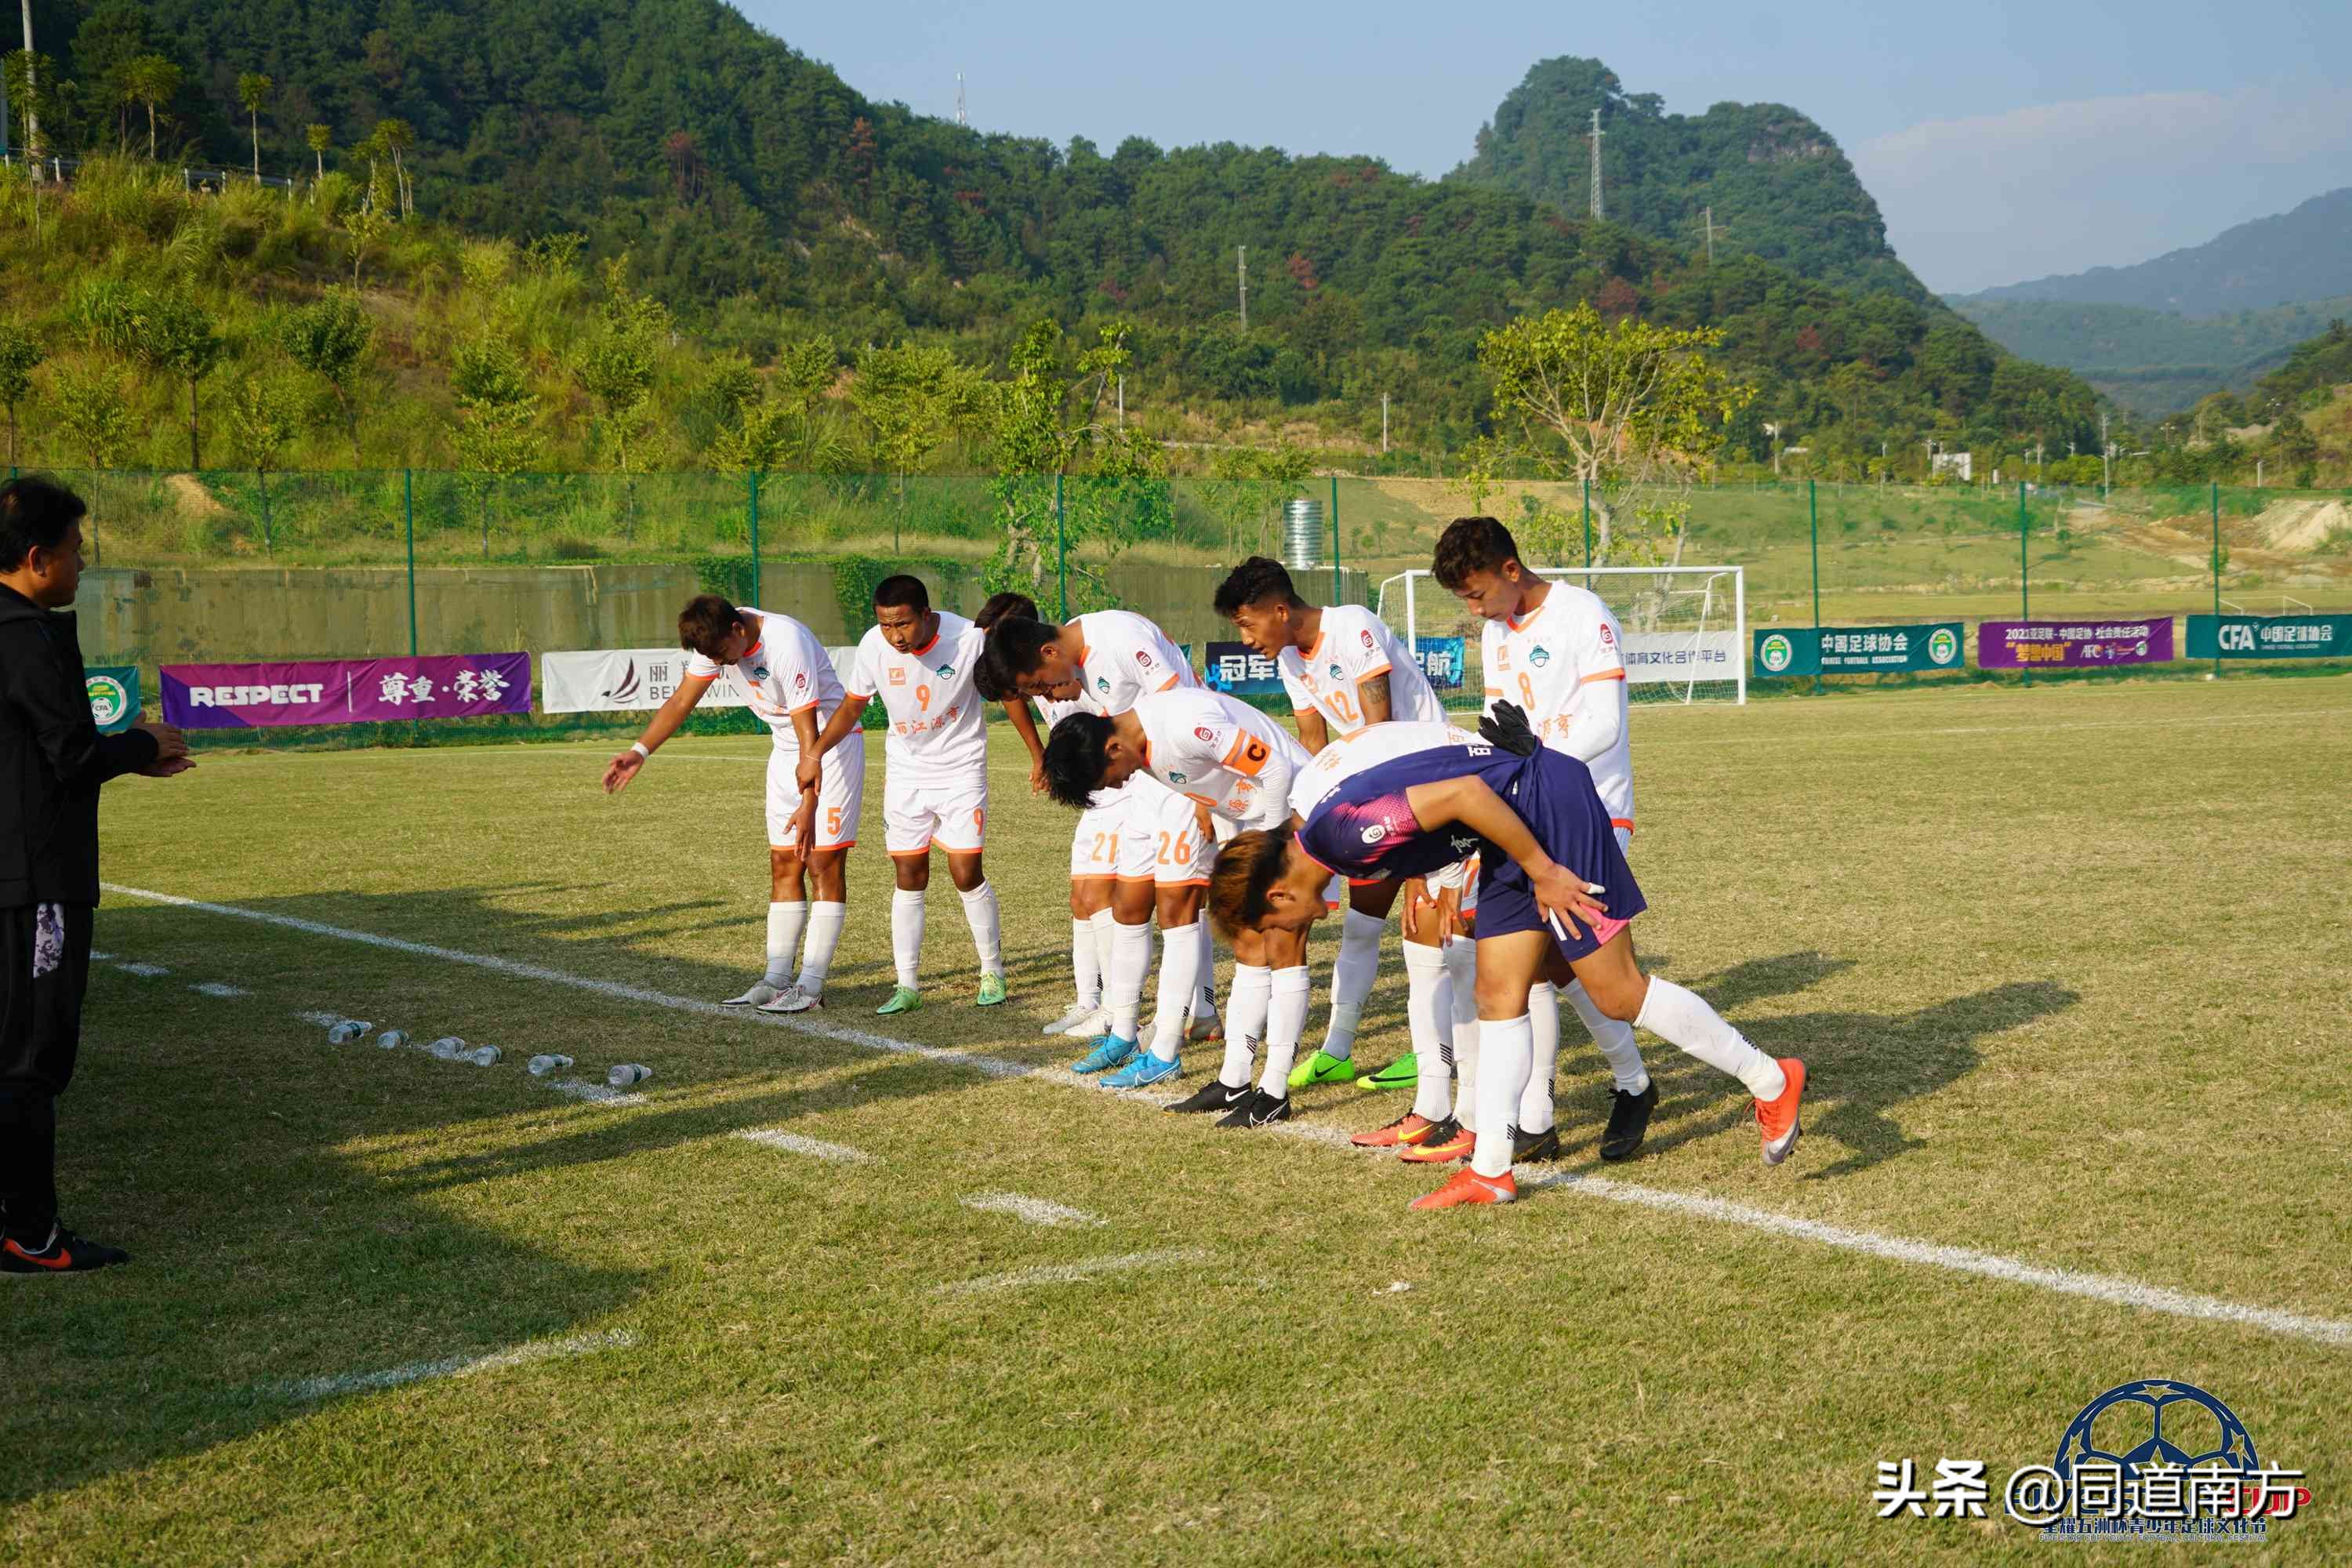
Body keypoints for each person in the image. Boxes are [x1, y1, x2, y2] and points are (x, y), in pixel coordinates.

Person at [1207, 717, 1806, 1210]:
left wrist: (1544, 871)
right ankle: (1492, 1170)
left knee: (1618, 993)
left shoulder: (1339, 841)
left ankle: (1770, 1079)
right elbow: (1438, 788)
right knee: (1497, 995)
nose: (1283, 934)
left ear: (1279, 896)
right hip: (1509, 828)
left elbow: (1464, 794)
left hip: (1548, 811)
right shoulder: (1328, 836)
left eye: (1269, 927)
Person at [1, 475, 194, 1274]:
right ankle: (30, 1233)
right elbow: (72, 758)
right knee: (32, 1055)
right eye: (77, 552)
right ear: (38, 557)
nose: (82, 566)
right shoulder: (26, 637)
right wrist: (144, 743)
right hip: (37, 878)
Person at [1434, 514, 1657, 1166]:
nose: (1475, 610)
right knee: (1547, 964)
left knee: (1559, 965)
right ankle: (1587, 1100)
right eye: (1465, 602)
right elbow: (1505, 733)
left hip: (1592, 811)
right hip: (1528, 813)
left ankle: (1604, 1095)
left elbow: (1603, 729)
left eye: (1477, 595)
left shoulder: (1583, 614)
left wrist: (1536, 761)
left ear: (1511, 570)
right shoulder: (1496, 633)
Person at [1215, 555, 1446, 1094]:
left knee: (1427, 933)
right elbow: (1314, 748)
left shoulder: (1353, 626)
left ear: (1279, 609)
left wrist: (1412, 852)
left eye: (1248, 624)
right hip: (1372, 796)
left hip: (1428, 786)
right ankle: (1337, 1050)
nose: (1247, 639)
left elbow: (1382, 733)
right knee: (1361, 927)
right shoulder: (1292, 661)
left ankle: (1434, 1053)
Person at [1040, 686, 1320, 1125]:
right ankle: (1234, 1082)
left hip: (1297, 816)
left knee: (1283, 948)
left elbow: (1278, 769)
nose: (1116, 785)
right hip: (1252, 823)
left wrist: (1266, 847)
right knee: (1249, 949)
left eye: (1108, 777)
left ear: (1113, 747)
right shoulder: (1138, 752)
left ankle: (1275, 1092)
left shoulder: (1186, 725)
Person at [978, 612, 1222, 1090]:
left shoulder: (1121, 638)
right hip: (1139, 785)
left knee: (1179, 907)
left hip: (1182, 784)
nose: (1046, 696)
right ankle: (1124, 1032)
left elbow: (1186, 707)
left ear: (1049, 654)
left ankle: (1184, 1031)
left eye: (1040, 686)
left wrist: (1200, 794)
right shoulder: (1071, 658)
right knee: (1129, 906)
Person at [603, 594, 858, 1014]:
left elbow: (807, 725)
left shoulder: (785, 641)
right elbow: (682, 700)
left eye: (722, 654)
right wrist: (639, 752)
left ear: (737, 630)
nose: (720, 663)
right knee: (783, 863)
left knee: (821, 862)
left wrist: (810, 800)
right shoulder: (716, 639)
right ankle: (776, 980)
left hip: (827, 748)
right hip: (785, 749)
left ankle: (810, 987)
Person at [797, 576, 1007, 1014]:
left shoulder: (968, 638)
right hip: (906, 774)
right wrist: (815, 751)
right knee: (908, 876)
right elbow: (853, 705)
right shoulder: (874, 645)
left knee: (965, 870)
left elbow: (1008, 694)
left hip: (961, 769)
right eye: (886, 625)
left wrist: (1038, 754)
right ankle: (907, 984)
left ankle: (992, 970)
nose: (895, 635)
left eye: (904, 624)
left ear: (927, 615)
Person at [975, 592, 1119, 1039]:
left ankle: (1118, 1007)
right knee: (1081, 898)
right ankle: (1088, 1002)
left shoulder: (1078, 668)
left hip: (1125, 790)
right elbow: (1008, 696)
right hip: (1099, 797)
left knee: (1112, 899)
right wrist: (1040, 757)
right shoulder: (1031, 676)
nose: (1031, 693)